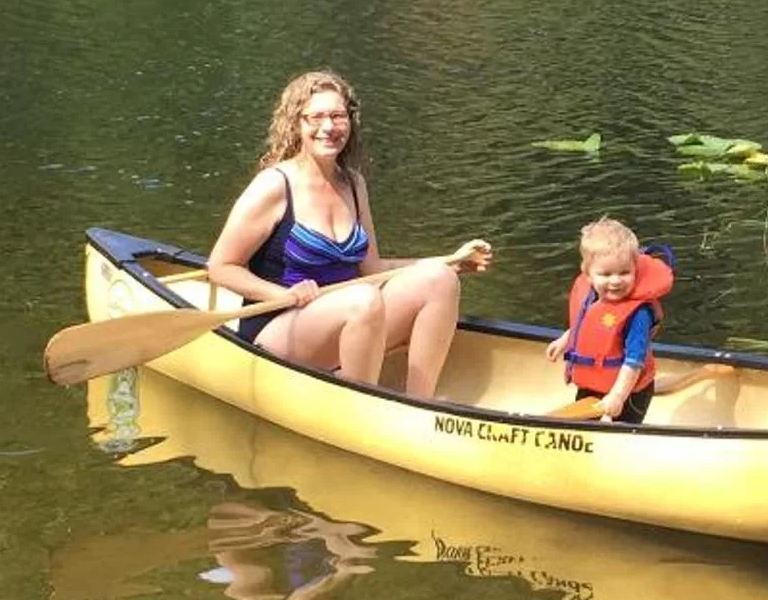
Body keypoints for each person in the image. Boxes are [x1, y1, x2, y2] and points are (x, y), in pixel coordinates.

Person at [206, 69, 491, 397]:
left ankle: (419, 404)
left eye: (338, 116)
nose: (328, 127)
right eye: (316, 117)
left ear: (350, 122)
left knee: (439, 279)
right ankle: (361, 404)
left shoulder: (353, 185)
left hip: (354, 316)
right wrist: (280, 295)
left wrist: (449, 261)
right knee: (363, 300)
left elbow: (372, 272)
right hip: (279, 329)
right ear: (296, 124)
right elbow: (221, 267)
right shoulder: (274, 185)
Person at [545, 217, 676, 424]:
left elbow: (634, 361)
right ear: (588, 274)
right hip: (592, 384)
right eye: (605, 274)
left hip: (630, 391)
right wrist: (565, 340)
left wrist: (618, 396)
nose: (615, 281)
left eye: (624, 272)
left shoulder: (638, 314)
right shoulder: (591, 295)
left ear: (635, 269)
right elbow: (585, 325)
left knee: (619, 433)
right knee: (584, 427)